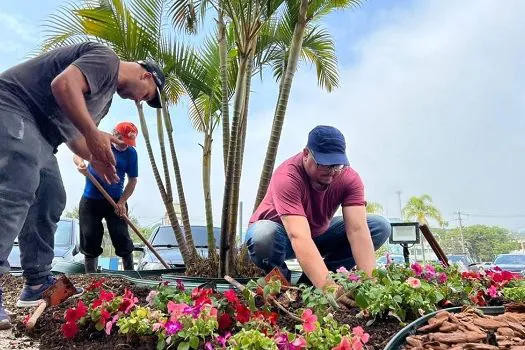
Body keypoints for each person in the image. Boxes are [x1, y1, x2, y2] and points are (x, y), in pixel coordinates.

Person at [0, 41, 165, 328]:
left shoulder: (105, 99)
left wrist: (97, 157)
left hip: (43, 134)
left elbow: (75, 137)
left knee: (51, 196)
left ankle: (37, 283)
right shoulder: (106, 59)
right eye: (147, 96)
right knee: (17, 185)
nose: (140, 101)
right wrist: (92, 132)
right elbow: (63, 85)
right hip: (14, 106)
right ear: (145, 76)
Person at [246, 125, 391, 298]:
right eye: (325, 165)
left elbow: (357, 230)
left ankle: (311, 283)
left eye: (337, 165)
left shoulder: (348, 178)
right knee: (263, 234)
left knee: (379, 226)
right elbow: (299, 236)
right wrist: (330, 290)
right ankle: (283, 285)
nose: (332, 172)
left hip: (318, 234)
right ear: (306, 154)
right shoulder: (287, 177)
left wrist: (371, 289)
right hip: (280, 237)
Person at [74, 121, 139, 273]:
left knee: (121, 236)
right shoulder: (100, 143)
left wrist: (122, 202)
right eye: (123, 141)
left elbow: (133, 180)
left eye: (129, 142)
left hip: (116, 202)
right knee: (90, 236)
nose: (125, 145)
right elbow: (77, 153)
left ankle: (129, 276)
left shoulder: (131, 153)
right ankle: (91, 276)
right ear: (115, 135)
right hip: (91, 201)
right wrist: (81, 164)